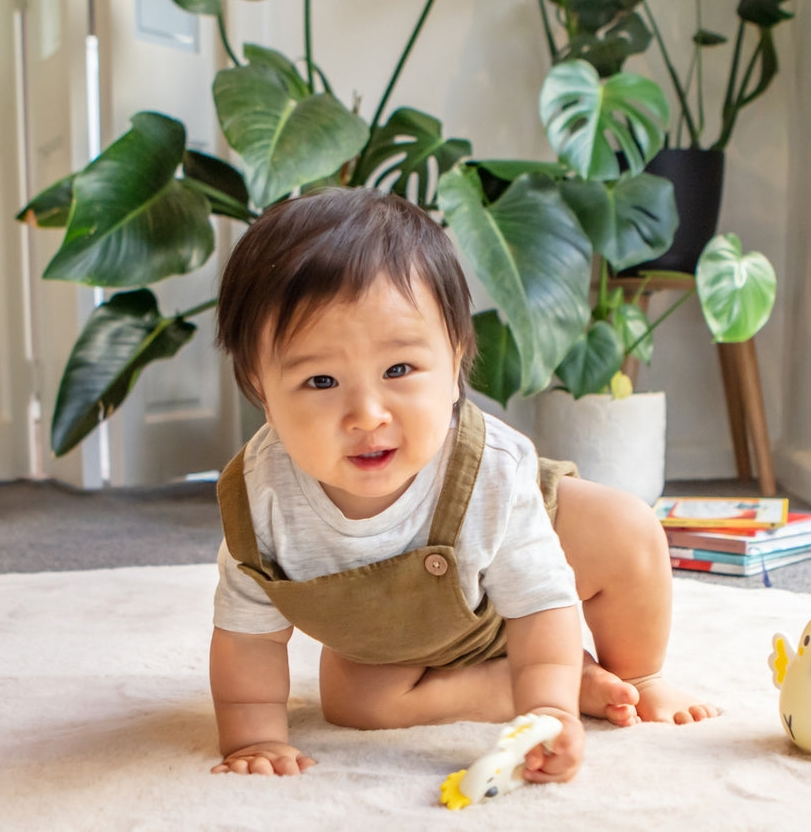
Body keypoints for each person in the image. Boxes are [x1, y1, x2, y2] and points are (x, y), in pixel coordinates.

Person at [207, 188, 718, 780]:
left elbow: (541, 604)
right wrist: (253, 735)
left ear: (455, 363)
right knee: (354, 703)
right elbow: (248, 637)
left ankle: (632, 677)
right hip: (410, 639)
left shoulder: (489, 474)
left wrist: (546, 711)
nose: (367, 414)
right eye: (321, 381)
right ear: (259, 388)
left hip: (523, 576)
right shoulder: (260, 496)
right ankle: (524, 683)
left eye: (399, 370)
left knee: (627, 531)